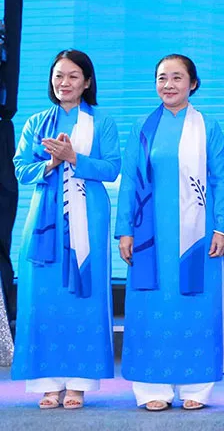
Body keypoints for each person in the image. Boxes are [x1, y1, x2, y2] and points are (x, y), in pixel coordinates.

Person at [116, 55, 224, 411]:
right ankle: (152, 387)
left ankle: (197, 386)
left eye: (177, 77)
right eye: (162, 78)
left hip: (197, 236)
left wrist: (221, 228)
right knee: (151, 307)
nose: (168, 84)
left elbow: (220, 179)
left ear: (192, 84)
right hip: (150, 235)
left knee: (196, 305)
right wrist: (125, 231)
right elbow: (130, 180)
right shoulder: (142, 127)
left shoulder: (208, 126)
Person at [11, 50, 120, 409]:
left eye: (73, 76)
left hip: (89, 217)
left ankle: (79, 382)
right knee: (42, 297)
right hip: (44, 219)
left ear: (87, 82)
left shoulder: (102, 121)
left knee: (83, 296)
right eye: (59, 75)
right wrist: (51, 163)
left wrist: (74, 158)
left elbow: (112, 168)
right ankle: (47, 382)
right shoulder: (36, 122)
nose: (64, 83)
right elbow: (21, 169)